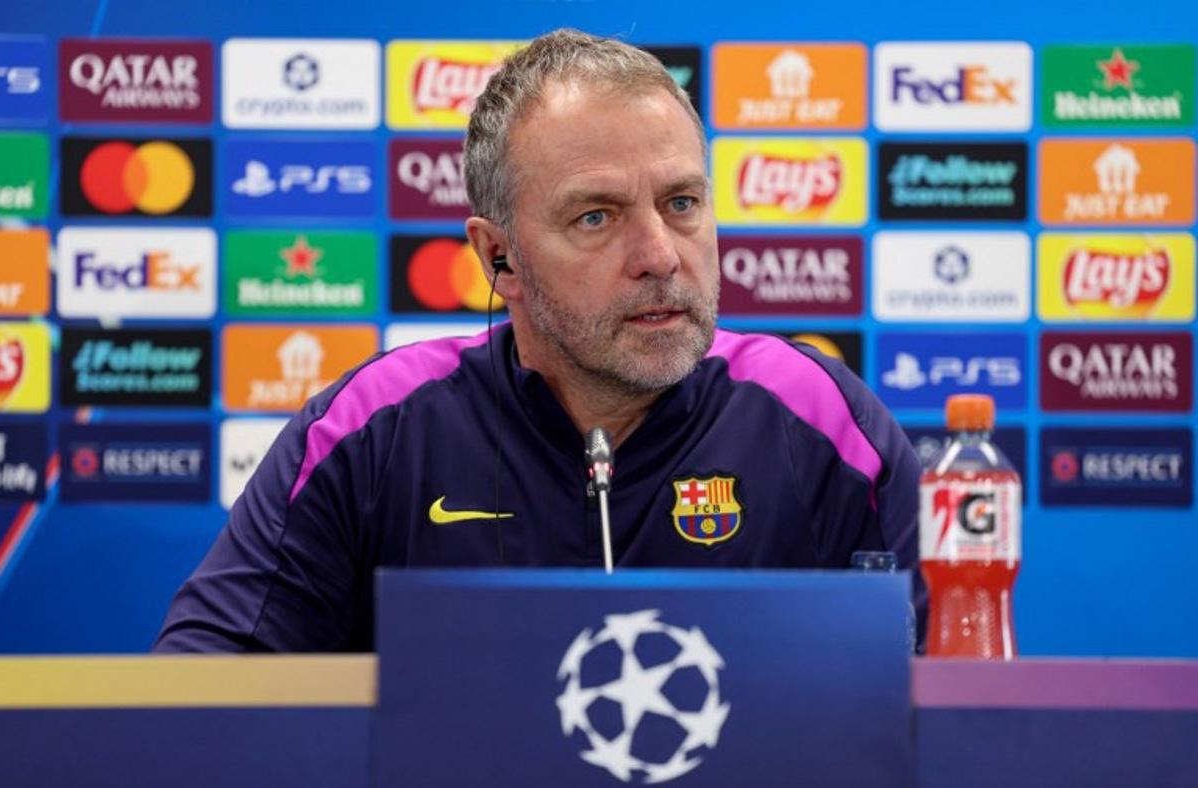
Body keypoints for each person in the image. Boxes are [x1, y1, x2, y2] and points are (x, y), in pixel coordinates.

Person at [154, 29, 924, 652]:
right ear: (501, 258)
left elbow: (960, 708)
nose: (659, 253)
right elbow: (202, 704)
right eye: (596, 217)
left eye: (682, 202)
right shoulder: (376, 432)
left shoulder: (823, 421)